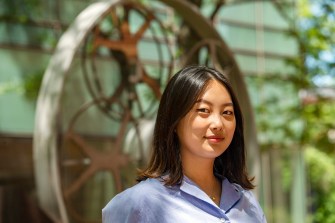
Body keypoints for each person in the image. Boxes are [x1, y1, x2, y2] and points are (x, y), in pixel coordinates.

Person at [102, 65, 267, 223]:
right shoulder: (139, 202)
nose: (218, 123)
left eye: (227, 113)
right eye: (203, 110)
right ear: (174, 121)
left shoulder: (248, 202)